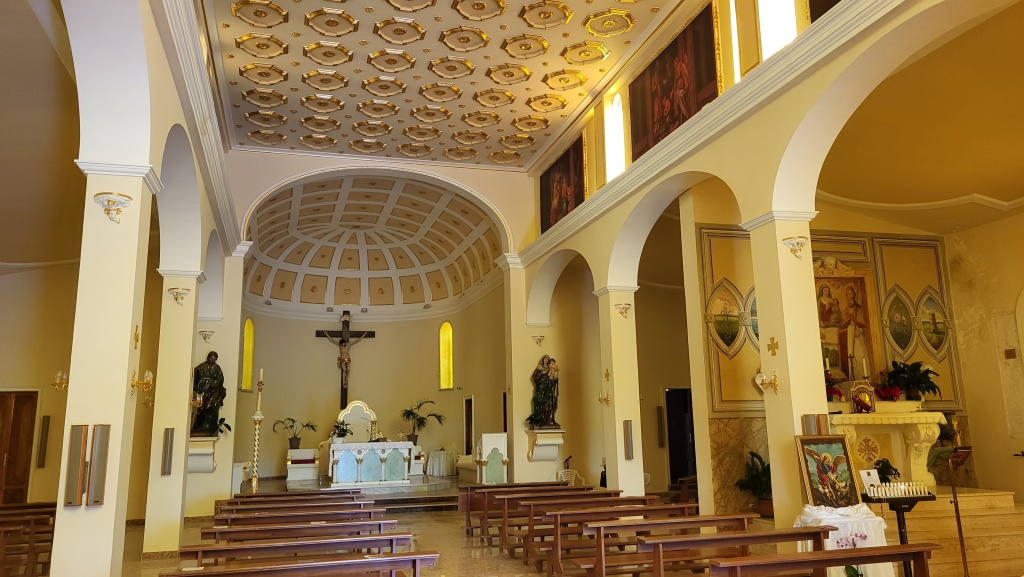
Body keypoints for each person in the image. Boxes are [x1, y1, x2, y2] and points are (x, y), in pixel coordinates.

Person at [191, 351, 226, 435]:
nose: (212, 360)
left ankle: (209, 426)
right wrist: (202, 383)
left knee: (213, 406)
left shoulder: (217, 368)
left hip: (213, 392)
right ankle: (199, 426)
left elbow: (220, 380)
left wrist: (210, 383)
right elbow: (194, 377)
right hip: (202, 392)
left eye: (214, 359)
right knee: (200, 408)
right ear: (208, 357)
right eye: (211, 358)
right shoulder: (201, 367)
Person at [529, 355, 560, 428]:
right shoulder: (539, 368)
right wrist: (542, 375)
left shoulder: (550, 368)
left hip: (549, 387)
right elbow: (534, 377)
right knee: (540, 401)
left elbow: (554, 377)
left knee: (550, 403)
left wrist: (553, 378)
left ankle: (549, 419)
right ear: (542, 360)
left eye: (547, 359)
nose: (546, 361)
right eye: (545, 359)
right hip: (541, 387)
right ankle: (540, 420)